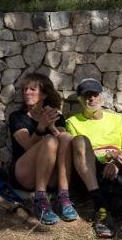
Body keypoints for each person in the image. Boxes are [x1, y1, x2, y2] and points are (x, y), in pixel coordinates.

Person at [65, 78, 122, 239]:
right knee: (80, 140)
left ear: (102, 97)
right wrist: (108, 154)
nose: (91, 99)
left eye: (95, 95)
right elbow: (80, 152)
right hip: (90, 169)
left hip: (119, 165)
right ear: (80, 100)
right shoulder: (72, 122)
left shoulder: (118, 119)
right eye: (87, 96)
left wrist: (114, 162)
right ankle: (99, 204)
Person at [6, 72, 79, 225]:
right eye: (25, 89)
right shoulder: (17, 117)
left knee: (65, 137)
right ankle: (40, 199)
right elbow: (28, 146)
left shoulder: (56, 117)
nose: (27, 92)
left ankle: (64, 197)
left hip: (50, 175)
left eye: (32, 89)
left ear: (44, 94)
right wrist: (41, 127)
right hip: (25, 173)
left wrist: (51, 126)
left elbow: (65, 146)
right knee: (50, 141)